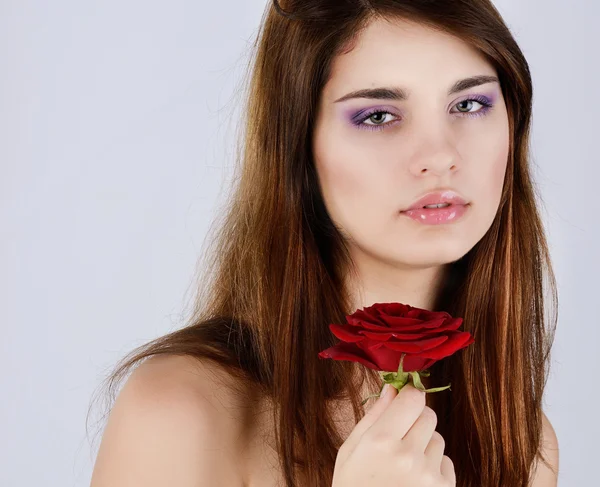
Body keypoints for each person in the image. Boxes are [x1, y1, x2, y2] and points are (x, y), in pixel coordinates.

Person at [88, 1, 560, 486]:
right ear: (299, 144)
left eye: (468, 104)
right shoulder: (178, 413)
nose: (440, 156)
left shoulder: (522, 441)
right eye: (378, 116)